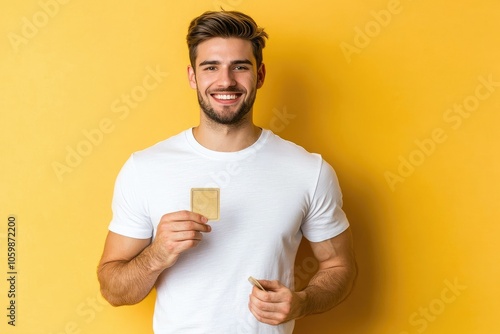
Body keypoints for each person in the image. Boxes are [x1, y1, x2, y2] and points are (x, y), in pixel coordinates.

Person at [97, 10, 356, 333]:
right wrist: (157, 254)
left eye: (240, 67)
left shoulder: (308, 171)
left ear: (259, 75)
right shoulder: (144, 168)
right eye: (211, 67)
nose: (226, 81)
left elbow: (340, 267)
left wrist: (302, 301)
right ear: (193, 76)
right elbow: (113, 289)